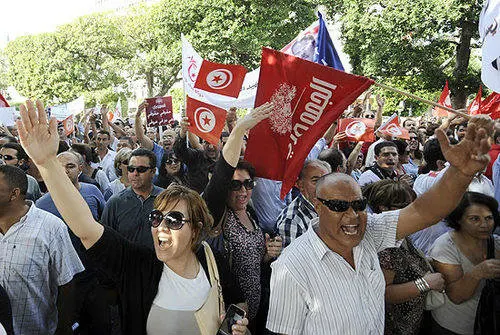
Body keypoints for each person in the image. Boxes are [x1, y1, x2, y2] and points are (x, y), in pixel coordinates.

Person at [15, 100, 249, 335]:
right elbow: (86, 228)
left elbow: (238, 304)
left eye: (174, 220)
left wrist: (235, 328)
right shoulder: (138, 265)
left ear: (197, 229)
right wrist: (46, 163)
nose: (161, 227)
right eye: (156, 218)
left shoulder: (210, 260)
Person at [266, 114, 494, 335]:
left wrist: (460, 173)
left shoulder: (370, 231)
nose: (352, 215)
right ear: (317, 206)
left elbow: (424, 211)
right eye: (338, 206)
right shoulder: (292, 266)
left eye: (359, 204)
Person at [202, 102, 283, 331]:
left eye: (248, 184)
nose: (243, 190)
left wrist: (268, 255)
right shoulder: (217, 215)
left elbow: (255, 262)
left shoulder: (251, 212)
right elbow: (219, 178)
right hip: (228, 310)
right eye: (235, 185)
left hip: (256, 309)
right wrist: (237, 130)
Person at [0, 164, 84, 334]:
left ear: (14, 194)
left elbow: (67, 284)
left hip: (35, 329)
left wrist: (63, 328)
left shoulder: (50, 227)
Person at [364, 180, 445, 335]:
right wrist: (425, 283)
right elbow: (384, 293)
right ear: (383, 208)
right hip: (396, 327)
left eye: (413, 205)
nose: (411, 211)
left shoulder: (400, 235)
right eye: (404, 205)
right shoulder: (385, 247)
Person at [429, 192, 500, 334]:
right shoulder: (445, 247)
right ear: (458, 219)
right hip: (453, 327)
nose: (485, 225)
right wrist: (477, 273)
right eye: (475, 219)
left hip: (488, 322)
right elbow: (457, 296)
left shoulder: (495, 242)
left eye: (489, 218)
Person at [101, 147, 163, 249]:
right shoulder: (115, 203)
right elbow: (106, 240)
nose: (135, 173)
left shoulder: (166, 200)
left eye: (141, 169)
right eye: (131, 169)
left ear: (153, 171)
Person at [276, 159, 331, 248]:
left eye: (326, 180)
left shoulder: (329, 205)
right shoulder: (292, 222)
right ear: (300, 185)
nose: (323, 186)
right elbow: (294, 261)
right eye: (315, 181)